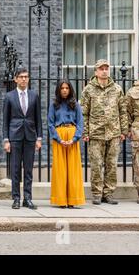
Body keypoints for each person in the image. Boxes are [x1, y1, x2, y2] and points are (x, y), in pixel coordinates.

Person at [81, 59, 128, 205]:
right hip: (96, 133)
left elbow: (123, 111)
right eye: (101, 68)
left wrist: (124, 130)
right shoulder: (88, 89)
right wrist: (85, 132)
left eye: (106, 68)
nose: (104, 71)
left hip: (114, 133)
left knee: (112, 164)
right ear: (96, 71)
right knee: (96, 164)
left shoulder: (117, 89)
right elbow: (84, 113)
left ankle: (108, 193)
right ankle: (96, 193)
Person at [3, 67, 42, 210]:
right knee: (15, 169)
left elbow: (38, 118)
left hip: (30, 136)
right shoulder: (9, 97)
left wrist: (39, 138)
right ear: (15, 79)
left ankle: (28, 198)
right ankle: (16, 198)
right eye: (21, 77)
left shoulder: (34, 95)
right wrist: (6, 140)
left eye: (26, 77)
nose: (24, 79)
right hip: (15, 137)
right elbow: (5, 120)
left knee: (29, 169)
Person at [47, 79, 85, 208]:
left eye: (67, 88)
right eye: (62, 88)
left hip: (72, 136)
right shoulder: (54, 105)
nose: (64, 90)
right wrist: (59, 139)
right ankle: (61, 200)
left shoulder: (76, 104)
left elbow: (80, 123)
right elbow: (50, 124)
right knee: (60, 169)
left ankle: (73, 199)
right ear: (58, 90)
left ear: (70, 90)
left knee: (73, 169)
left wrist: (74, 139)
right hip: (60, 137)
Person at [124, 78, 139, 204]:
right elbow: (126, 112)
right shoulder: (132, 92)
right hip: (137, 129)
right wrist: (128, 128)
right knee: (138, 163)